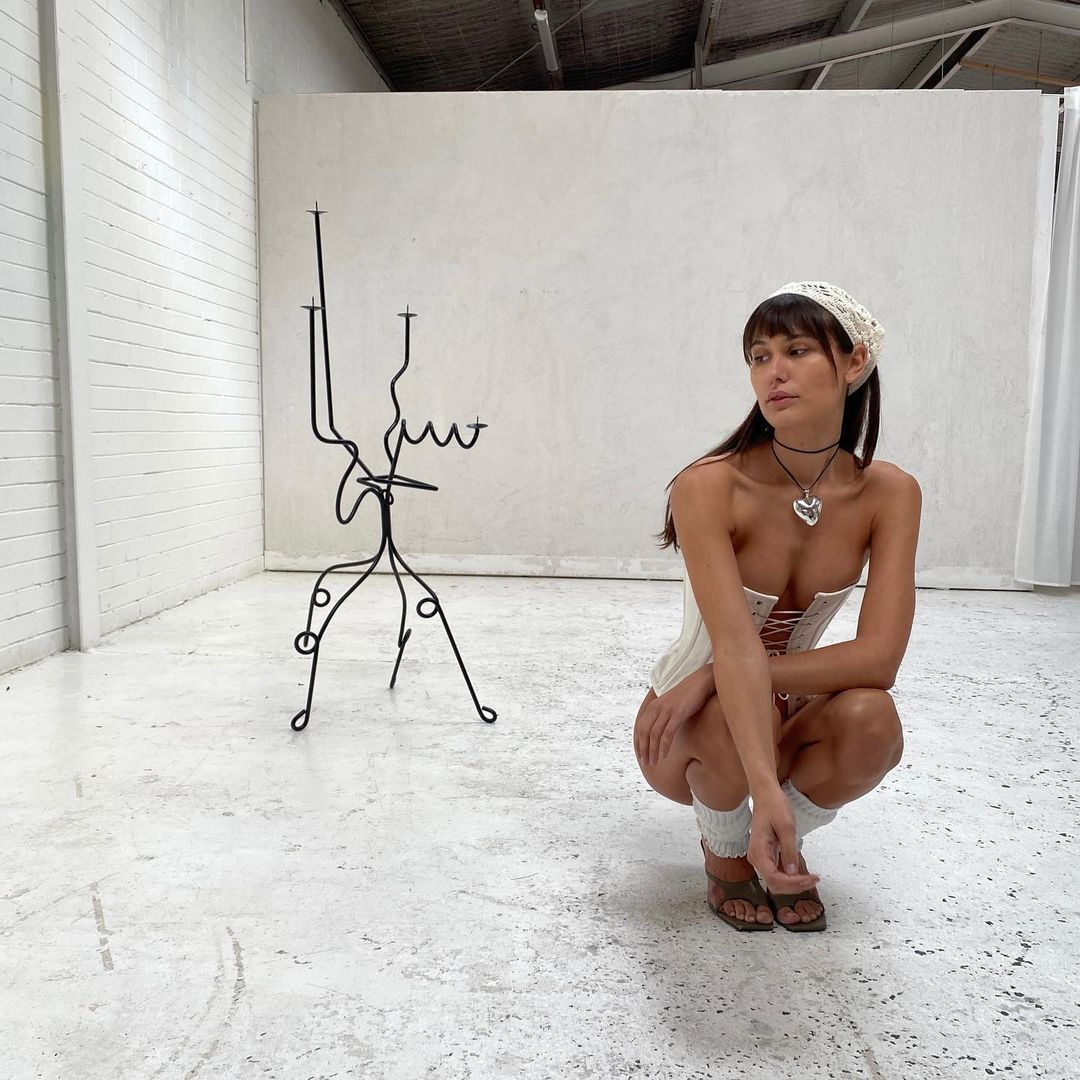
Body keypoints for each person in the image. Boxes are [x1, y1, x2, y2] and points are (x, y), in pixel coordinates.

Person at [633, 282, 920, 933]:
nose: (774, 371)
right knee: (738, 707)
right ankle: (728, 849)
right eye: (759, 357)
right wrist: (712, 677)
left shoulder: (890, 492)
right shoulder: (709, 484)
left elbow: (879, 659)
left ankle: (780, 836)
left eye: (796, 350)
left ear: (854, 361)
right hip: (689, 728)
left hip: (779, 705)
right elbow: (735, 647)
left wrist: (719, 675)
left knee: (874, 721)